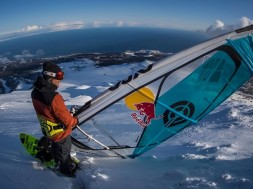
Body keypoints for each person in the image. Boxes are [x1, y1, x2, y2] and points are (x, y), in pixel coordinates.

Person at [31, 61, 79, 176]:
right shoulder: (54, 97)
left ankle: (55, 157)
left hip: (47, 130)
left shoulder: (35, 92)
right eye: (58, 79)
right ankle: (66, 170)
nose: (59, 83)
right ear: (49, 78)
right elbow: (65, 119)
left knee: (55, 144)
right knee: (64, 150)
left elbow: (47, 112)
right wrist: (75, 121)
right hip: (59, 133)